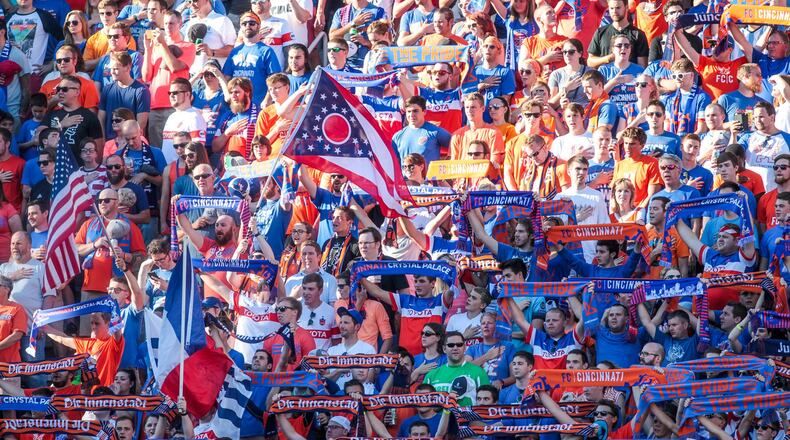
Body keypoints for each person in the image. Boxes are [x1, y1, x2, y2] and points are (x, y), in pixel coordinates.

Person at [142, 9, 195, 150]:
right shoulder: (156, 47)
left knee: (176, 148)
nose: (168, 27)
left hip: (176, 105)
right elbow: (146, 76)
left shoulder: (188, 46)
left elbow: (174, 67)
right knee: (157, 149)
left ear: (180, 24)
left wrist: (163, 44)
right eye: (165, 23)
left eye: (172, 23)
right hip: (155, 104)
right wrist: (147, 49)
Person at [221, 12, 281, 105]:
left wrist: (267, 100)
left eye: (252, 23)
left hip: (258, 104)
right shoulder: (234, 51)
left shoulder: (266, 51)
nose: (248, 26)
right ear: (241, 27)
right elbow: (227, 77)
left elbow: (275, 79)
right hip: (237, 105)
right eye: (244, 24)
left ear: (258, 26)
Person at [40, 75, 104, 161]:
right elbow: (38, 139)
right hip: (55, 168)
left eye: (65, 89)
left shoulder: (89, 116)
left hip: (79, 170)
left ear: (77, 92)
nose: (60, 92)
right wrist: (61, 125)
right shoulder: (51, 114)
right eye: (58, 89)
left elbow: (98, 149)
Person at [423, 331, 489, 407]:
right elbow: (424, 405)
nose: (455, 348)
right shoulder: (431, 375)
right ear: (444, 349)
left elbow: (486, 404)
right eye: (451, 345)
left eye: (459, 345)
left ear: (464, 348)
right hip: (438, 418)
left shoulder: (479, 373)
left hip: (468, 418)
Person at [98, 52, 150, 139]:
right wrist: (103, 139)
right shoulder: (107, 89)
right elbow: (101, 117)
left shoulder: (141, 91)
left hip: (131, 142)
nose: (112, 72)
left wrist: (130, 141)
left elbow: (141, 123)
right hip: (110, 143)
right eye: (111, 69)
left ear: (127, 67)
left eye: (115, 69)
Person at [587, 0, 648, 68]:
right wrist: (608, 58)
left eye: (618, 8)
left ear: (626, 7)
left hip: (630, 77)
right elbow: (590, 61)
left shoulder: (638, 34)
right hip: (605, 77)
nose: (614, 11)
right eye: (611, 8)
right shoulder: (600, 32)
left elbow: (642, 67)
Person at [392, 96, 451, 165]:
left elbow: (457, 146)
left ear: (424, 112)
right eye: (409, 111)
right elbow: (393, 162)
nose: (411, 115)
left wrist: (446, 165)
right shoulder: (398, 136)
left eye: (415, 111)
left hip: (429, 175)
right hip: (406, 175)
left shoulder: (435, 132)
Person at [612, 127, 662, 208]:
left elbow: (652, 195)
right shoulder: (619, 165)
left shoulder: (652, 163)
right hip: (621, 215)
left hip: (641, 214)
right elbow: (613, 194)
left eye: (632, 144)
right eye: (626, 143)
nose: (627, 147)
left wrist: (637, 213)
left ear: (642, 146)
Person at [161, 78, 207, 163]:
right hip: (167, 170)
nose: (171, 95)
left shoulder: (195, 117)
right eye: (169, 93)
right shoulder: (171, 117)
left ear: (187, 94)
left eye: (175, 93)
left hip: (183, 171)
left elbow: (198, 151)